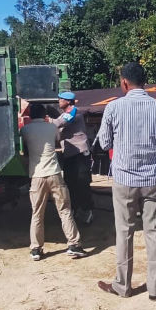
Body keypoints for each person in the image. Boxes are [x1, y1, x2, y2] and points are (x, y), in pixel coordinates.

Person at [96, 63, 156, 300]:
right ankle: (155, 289)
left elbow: (104, 143)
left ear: (124, 83)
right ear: (144, 82)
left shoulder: (113, 107)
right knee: (155, 232)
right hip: (152, 178)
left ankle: (123, 286)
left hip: (124, 179)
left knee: (124, 232)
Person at [19, 103, 86, 261]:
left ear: (31, 115)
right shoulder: (51, 127)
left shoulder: (25, 130)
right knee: (65, 211)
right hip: (54, 173)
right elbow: (57, 140)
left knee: (37, 214)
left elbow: (24, 149)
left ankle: (36, 249)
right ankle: (74, 245)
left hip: (37, 176)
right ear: (44, 115)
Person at [51, 91, 94, 225]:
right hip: (70, 154)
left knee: (82, 182)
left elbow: (59, 122)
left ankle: (87, 211)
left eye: (61, 99)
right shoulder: (65, 113)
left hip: (80, 153)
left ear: (68, 101)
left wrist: (45, 119)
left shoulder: (74, 112)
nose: (59, 101)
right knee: (70, 183)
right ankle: (75, 209)